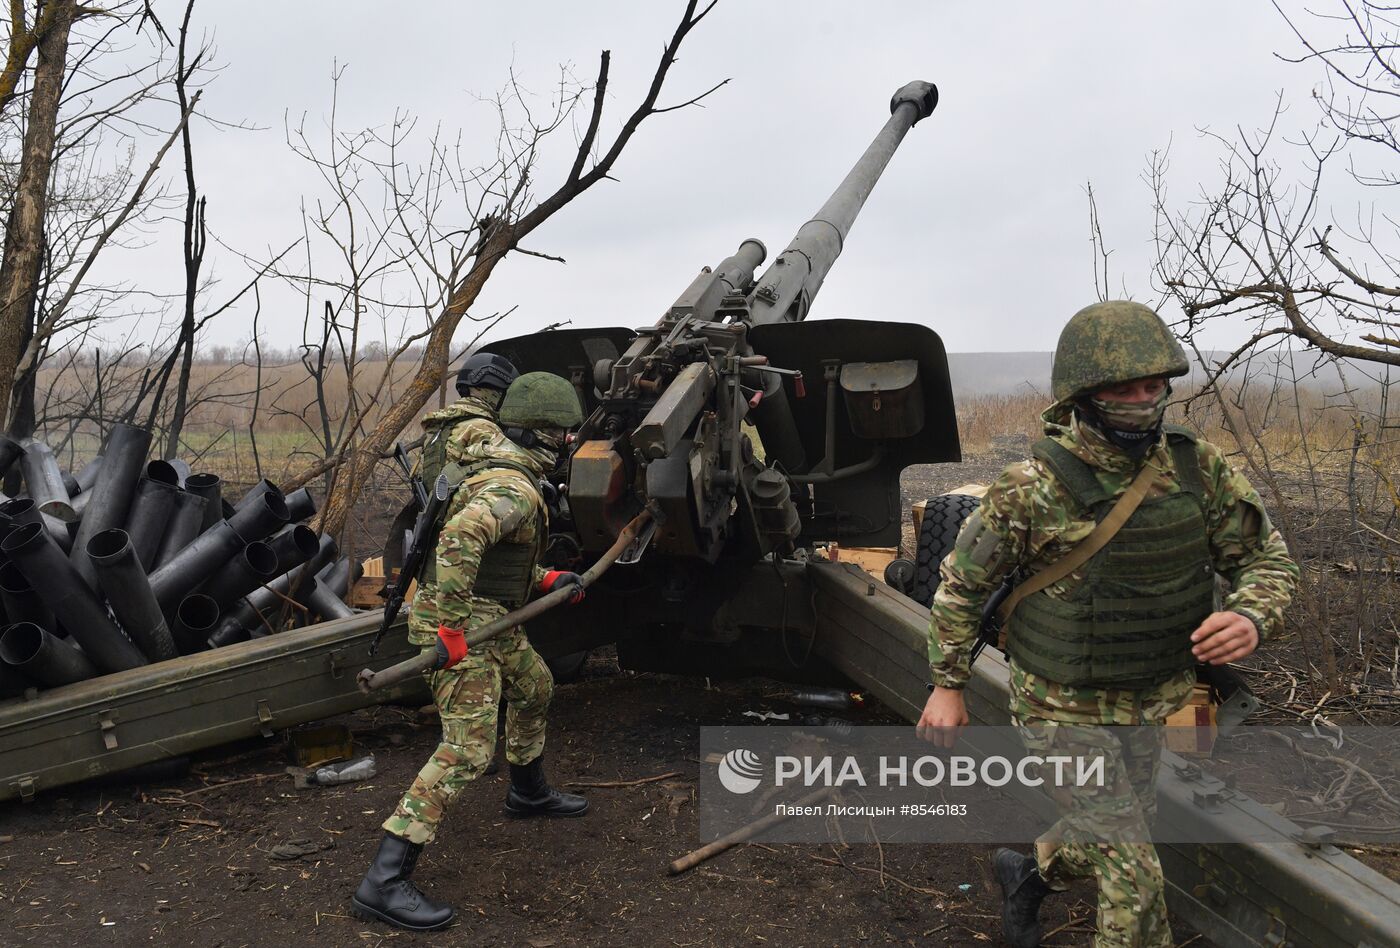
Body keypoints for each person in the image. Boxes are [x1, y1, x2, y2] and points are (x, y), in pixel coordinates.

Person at [916, 301, 1298, 948]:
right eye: (1125, 388)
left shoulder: (1194, 468)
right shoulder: (1032, 488)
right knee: (1135, 876)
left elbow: (1266, 558)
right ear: (1085, 394)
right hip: (1060, 707)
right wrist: (948, 684)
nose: (1143, 401)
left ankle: (1028, 877)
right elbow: (962, 584)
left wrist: (1250, 614)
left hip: (1150, 697)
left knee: (1112, 828)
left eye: (1154, 386)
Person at [353, 371, 591, 932]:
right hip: (460, 623)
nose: (569, 445)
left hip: (490, 614)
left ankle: (528, 794)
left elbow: (499, 559)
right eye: (563, 435)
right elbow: (460, 539)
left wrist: (547, 576)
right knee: (467, 749)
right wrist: (453, 632)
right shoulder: (513, 486)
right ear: (542, 435)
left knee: (535, 687)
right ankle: (383, 881)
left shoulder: (510, 474)